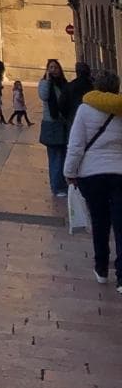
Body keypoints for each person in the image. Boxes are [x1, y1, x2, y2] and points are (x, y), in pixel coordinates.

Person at [64, 69, 122, 290]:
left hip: (92, 174)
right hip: (119, 173)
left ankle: (101, 268)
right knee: (120, 224)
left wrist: (69, 172)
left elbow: (76, 145)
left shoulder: (85, 109)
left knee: (100, 222)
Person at [38, 58, 71, 196]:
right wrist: (46, 80)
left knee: (63, 156)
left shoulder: (64, 84)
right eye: (50, 67)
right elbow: (43, 96)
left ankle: (62, 184)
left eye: (55, 67)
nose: (53, 70)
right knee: (55, 157)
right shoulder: (45, 84)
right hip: (51, 124)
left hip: (63, 124)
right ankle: (57, 187)